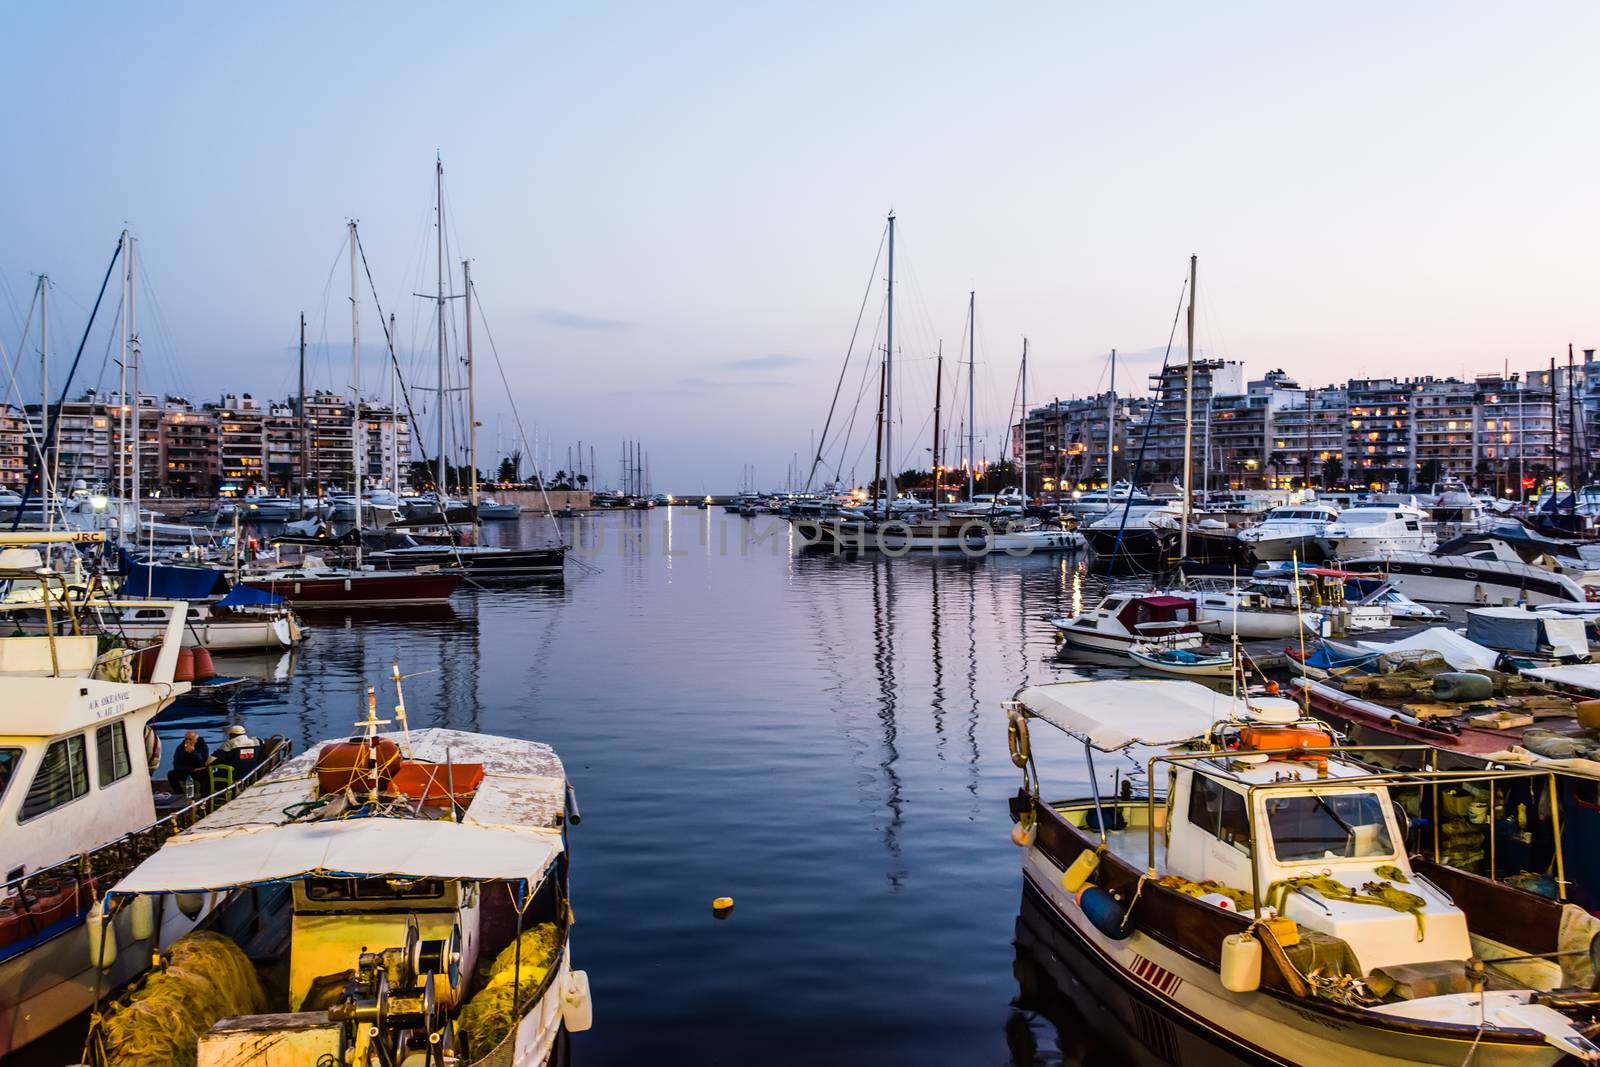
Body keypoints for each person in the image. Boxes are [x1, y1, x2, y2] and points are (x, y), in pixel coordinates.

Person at [167, 731, 210, 795]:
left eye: (190, 739)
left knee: (206, 774)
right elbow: (176, 764)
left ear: (196, 740)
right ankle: (179, 794)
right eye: (186, 739)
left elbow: (204, 762)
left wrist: (193, 752)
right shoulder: (180, 748)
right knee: (171, 774)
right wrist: (190, 770)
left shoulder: (202, 746)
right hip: (187, 770)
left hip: (199, 771)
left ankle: (204, 796)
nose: (188, 741)